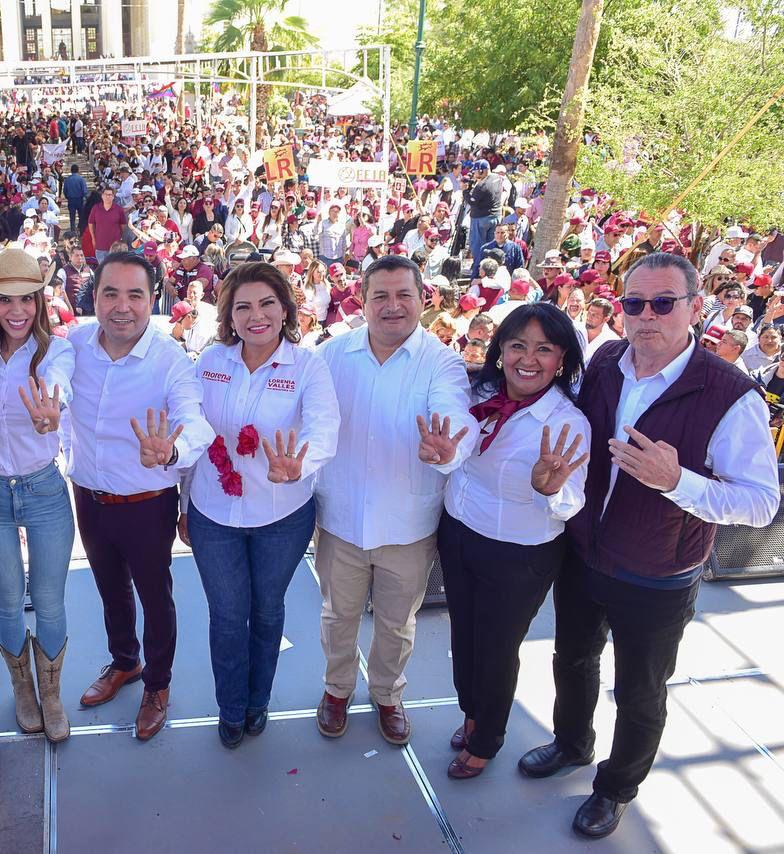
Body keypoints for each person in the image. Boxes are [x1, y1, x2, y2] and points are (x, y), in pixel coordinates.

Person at [519, 253, 781, 839]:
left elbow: (762, 503)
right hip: (586, 555)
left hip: (660, 573)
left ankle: (615, 788)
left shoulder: (731, 396)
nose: (645, 316)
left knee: (640, 690)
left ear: (694, 307)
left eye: (663, 303)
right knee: (572, 661)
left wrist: (676, 481)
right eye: (633, 303)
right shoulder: (607, 360)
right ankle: (571, 743)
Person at [314, 254, 476, 745]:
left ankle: (387, 695)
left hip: (408, 525)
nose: (392, 306)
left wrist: (450, 447)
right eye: (380, 296)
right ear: (361, 302)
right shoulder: (330, 356)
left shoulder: (442, 361)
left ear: (423, 299)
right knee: (336, 615)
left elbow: (454, 415)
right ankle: (337, 689)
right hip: (340, 519)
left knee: (398, 623)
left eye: (404, 294)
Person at [180, 262, 340, 748]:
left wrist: (300, 463)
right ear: (228, 315)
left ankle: (257, 703)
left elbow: (323, 427)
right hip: (214, 513)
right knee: (228, 615)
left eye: (268, 303)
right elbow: (190, 427)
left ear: (286, 309)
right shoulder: (209, 362)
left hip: (281, 516)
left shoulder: (308, 365)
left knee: (267, 611)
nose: (256, 316)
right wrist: (182, 501)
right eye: (243, 306)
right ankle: (231, 707)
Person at [436, 303, 590, 779]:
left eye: (544, 349)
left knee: (497, 647)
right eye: (518, 344)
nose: (529, 358)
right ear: (500, 349)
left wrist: (550, 486)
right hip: (459, 532)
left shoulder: (566, 423)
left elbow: (570, 504)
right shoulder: (478, 392)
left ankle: (488, 737)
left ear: (561, 358)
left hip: (518, 553)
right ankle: (472, 712)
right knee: (462, 634)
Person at [67, 252, 214, 741]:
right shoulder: (76, 345)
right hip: (89, 496)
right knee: (110, 590)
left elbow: (197, 424)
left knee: (156, 597)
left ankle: (157, 685)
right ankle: (124, 663)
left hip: (146, 503)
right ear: (96, 297)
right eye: (111, 293)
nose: (122, 306)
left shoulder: (171, 361)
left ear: (153, 300)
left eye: (135, 295)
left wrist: (171, 450)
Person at [0, 250, 76, 743]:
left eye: (26, 299)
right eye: (6, 299)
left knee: (49, 601)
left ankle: (51, 694)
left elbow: (60, 385)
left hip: (44, 488)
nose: (16, 310)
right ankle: (23, 689)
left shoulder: (56, 351)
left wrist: (52, 410)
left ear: (39, 302)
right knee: (7, 602)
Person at [87, 186, 128, 263]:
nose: (108, 197)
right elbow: (91, 223)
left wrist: (119, 236)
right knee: (103, 270)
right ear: (102, 196)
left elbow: (123, 225)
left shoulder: (119, 209)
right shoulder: (96, 208)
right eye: (106, 194)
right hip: (100, 246)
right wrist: (93, 237)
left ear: (113, 197)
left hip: (115, 247)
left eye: (110, 195)